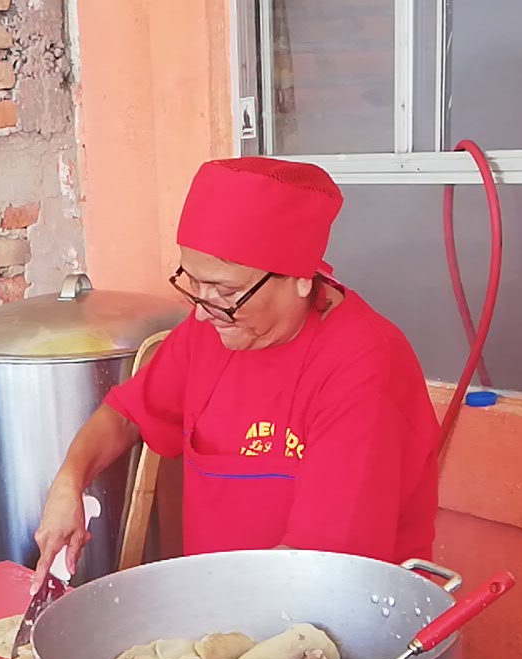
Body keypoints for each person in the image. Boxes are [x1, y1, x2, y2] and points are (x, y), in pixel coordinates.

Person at [31, 157, 440, 586]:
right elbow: (126, 414)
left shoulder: (363, 365)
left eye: (226, 291)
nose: (205, 313)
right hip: (225, 612)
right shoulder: (212, 328)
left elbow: (319, 570)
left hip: (339, 622)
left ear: (301, 278)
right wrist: (69, 481)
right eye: (194, 283)